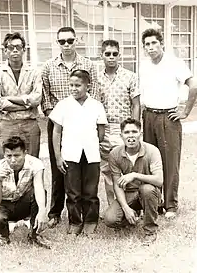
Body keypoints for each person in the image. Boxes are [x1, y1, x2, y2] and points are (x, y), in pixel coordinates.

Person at [41, 27, 100, 227]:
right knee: (61, 170)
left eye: (70, 40)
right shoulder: (48, 66)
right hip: (60, 119)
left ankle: (88, 215)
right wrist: (57, 116)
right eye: (62, 41)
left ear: (76, 41)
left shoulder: (88, 65)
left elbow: (96, 91)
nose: (66, 44)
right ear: (57, 43)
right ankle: (56, 213)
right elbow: (45, 95)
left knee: (85, 170)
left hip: (85, 122)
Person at [140, 28, 197, 219]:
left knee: (169, 162)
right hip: (148, 116)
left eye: (154, 43)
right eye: (147, 44)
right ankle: (155, 202)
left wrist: (185, 111)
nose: (151, 47)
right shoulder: (144, 66)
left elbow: (194, 85)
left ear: (162, 43)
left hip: (168, 117)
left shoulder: (174, 63)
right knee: (149, 161)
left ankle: (171, 205)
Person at [49, 70, 107, 235]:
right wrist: (58, 157)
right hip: (70, 154)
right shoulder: (63, 105)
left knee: (90, 191)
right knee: (73, 191)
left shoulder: (96, 105)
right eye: (71, 85)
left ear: (87, 85)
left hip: (91, 154)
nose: (73, 88)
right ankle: (75, 221)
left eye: (78, 85)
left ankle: (90, 220)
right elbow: (56, 132)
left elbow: (101, 131)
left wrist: (90, 142)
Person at [104, 118, 163, 245]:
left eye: (134, 132)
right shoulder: (115, 154)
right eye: (126, 132)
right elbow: (116, 184)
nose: (131, 136)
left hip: (150, 193)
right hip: (129, 193)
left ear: (140, 134)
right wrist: (125, 208)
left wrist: (135, 175)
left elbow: (159, 180)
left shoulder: (152, 150)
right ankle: (132, 214)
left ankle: (150, 231)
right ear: (121, 136)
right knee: (110, 219)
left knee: (147, 189)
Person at [0, 136, 49, 247]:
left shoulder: (35, 164)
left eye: (17, 155)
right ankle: (3, 235)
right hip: (4, 206)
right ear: (4, 155)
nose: (13, 160)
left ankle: (35, 235)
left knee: (40, 193)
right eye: (9, 156)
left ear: (25, 153)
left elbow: (39, 187)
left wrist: (42, 211)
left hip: (23, 204)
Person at [98, 39, 140, 206]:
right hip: (104, 128)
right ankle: (112, 207)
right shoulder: (96, 79)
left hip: (123, 128)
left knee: (127, 167)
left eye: (115, 54)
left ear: (119, 55)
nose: (111, 57)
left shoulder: (130, 76)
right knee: (107, 170)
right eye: (107, 54)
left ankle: (133, 205)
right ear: (101, 55)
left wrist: (133, 129)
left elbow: (136, 104)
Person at [0, 32, 42, 159]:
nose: (15, 50)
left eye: (18, 47)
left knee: (32, 163)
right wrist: (26, 105)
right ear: (5, 51)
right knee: (7, 164)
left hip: (29, 124)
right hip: (8, 124)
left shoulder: (34, 72)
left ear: (24, 50)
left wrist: (9, 99)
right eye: (10, 47)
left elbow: (36, 99)